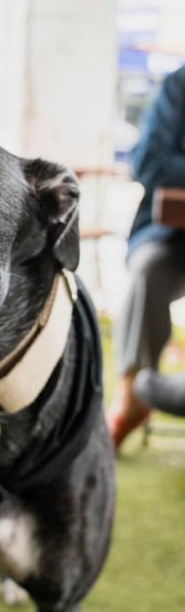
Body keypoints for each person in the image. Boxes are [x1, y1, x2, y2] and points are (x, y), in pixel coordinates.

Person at [106, 64, 185, 451]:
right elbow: (151, 162)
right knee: (148, 271)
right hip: (173, 236)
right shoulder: (180, 84)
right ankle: (134, 394)